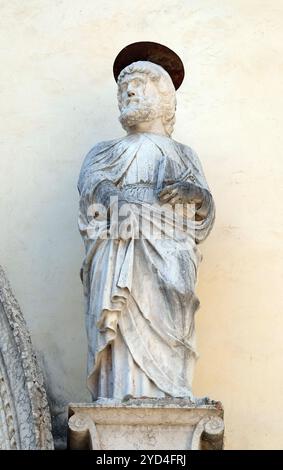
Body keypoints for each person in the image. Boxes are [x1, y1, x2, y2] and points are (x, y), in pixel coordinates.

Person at [78, 45, 215, 401]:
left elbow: (204, 210)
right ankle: (119, 390)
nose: (129, 92)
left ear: (163, 95)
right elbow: (91, 185)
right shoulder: (105, 151)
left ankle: (170, 392)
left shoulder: (183, 154)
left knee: (171, 312)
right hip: (121, 243)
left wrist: (195, 195)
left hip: (170, 251)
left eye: (139, 84)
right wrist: (110, 195)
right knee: (119, 313)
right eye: (124, 89)